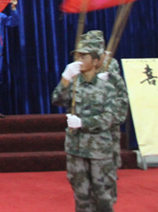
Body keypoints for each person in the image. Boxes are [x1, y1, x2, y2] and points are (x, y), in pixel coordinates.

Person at [52, 35, 127, 212]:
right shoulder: (73, 84)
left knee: (103, 196)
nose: (79, 60)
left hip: (99, 149)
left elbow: (109, 118)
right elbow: (57, 99)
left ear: (95, 61)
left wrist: (82, 122)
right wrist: (65, 78)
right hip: (76, 148)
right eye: (78, 56)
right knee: (81, 196)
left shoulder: (107, 86)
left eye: (84, 56)